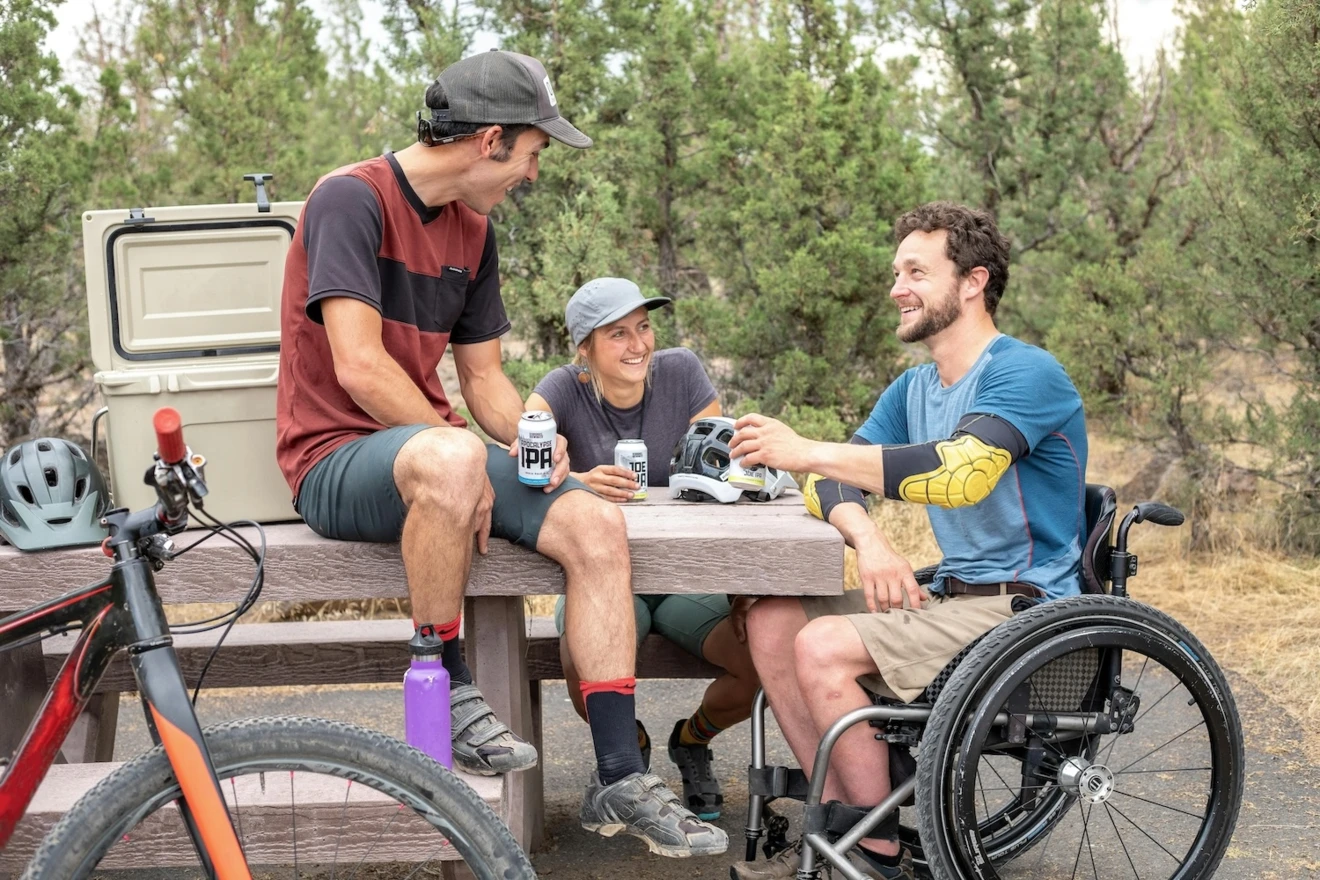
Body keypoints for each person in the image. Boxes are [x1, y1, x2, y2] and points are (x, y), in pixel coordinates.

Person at [274, 50, 726, 858]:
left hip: (432, 449)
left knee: (593, 522)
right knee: (453, 462)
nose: (533, 174)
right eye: (533, 153)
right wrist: (459, 450)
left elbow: (482, 378)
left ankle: (620, 772)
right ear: (490, 140)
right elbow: (359, 366)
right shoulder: (350, 199)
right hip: (334, 457)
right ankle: (445, 679)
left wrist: (534, 445)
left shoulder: (472, 231)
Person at [726, 202, 1088, 880]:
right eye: (897, 273)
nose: (897, 288)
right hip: (952, 595)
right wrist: (869, 539)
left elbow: (961, 474)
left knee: (822, 646)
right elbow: (826, 484)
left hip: (1024, 609)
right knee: (772, 617)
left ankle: (873, 854)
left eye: (917, 272)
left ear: (973, 282)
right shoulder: (915, 387)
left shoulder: (1026, 373)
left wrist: (806, 449)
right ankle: (844, 828)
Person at [525, 276, 761, 821]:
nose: (638, 345)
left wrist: (740, 587)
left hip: (684, 580)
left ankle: (691, 740)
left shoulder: (682, 372)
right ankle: (631, 753)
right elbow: (518, 461)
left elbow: (722, 476)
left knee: (761, 660)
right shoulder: (561, 388)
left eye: (644, 327)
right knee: (582, 667)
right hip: (599, 579)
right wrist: (575, 481)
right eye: (618, 334)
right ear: (584, 349)